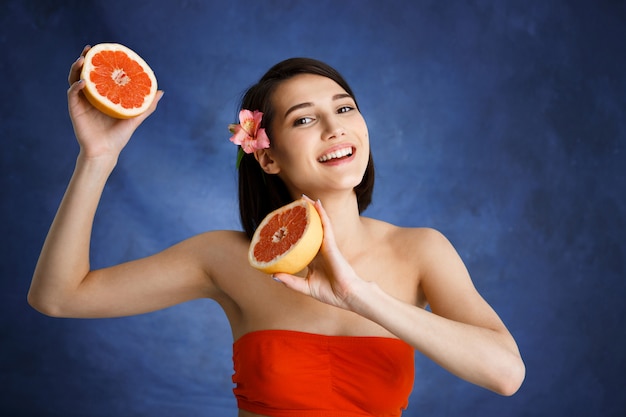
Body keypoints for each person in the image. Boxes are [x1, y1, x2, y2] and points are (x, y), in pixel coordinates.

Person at [29, 45, 525, 417]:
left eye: (345, 108)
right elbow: (59, 297)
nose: (335, 127)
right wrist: (98, 158)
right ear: (267, 156)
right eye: (305, 119)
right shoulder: (225, 258)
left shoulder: (420, 249)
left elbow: (505, 374)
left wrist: (360, 297)